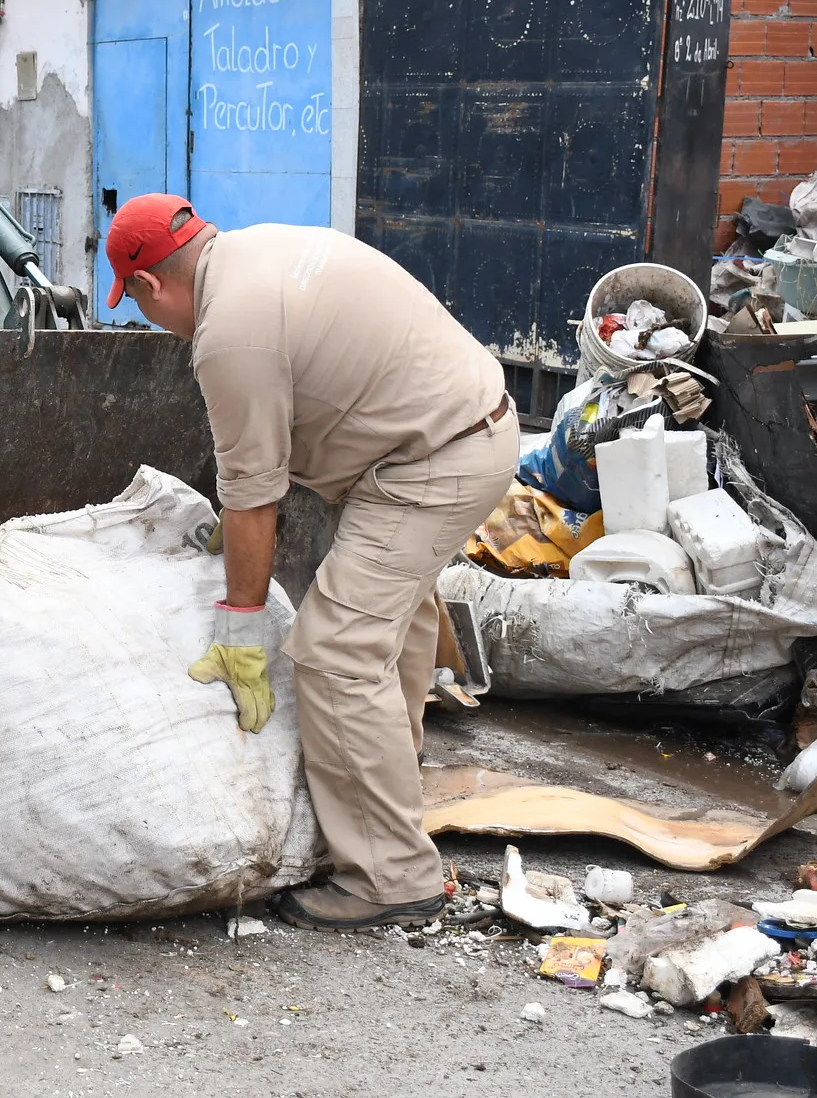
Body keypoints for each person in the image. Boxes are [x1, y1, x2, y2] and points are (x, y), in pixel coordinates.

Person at [105, 194, 518, 932]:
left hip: (432, 457)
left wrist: (238, 623)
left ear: (147, 287)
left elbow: (255, 496)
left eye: (137, 306)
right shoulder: (261, 250)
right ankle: (383, 813)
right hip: (464, 426)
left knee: (334, 650)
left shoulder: (229, 333)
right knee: (394, 628)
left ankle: (391, 875)